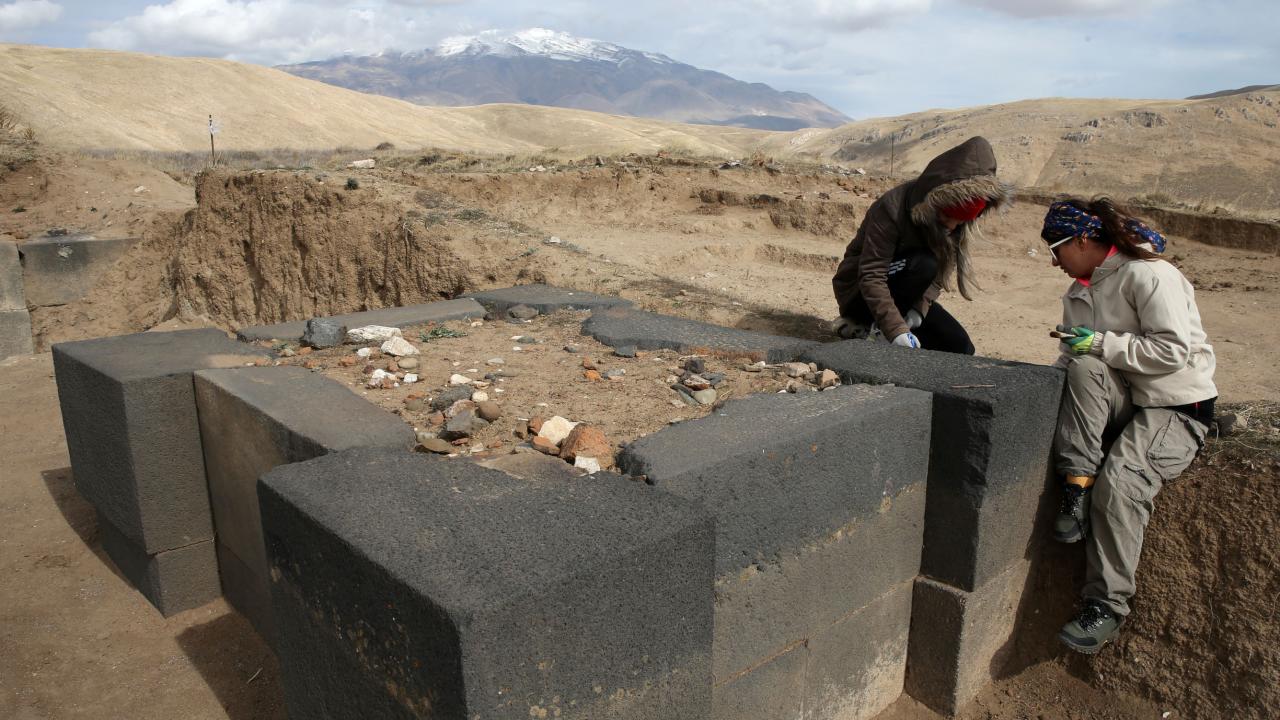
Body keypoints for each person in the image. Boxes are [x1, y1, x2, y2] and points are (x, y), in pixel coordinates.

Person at [1041, 198, 1217, 654]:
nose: (1054, 261)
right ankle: (1076, 487)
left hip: (1174, 404)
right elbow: (1076, 360)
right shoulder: (1079, 292)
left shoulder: (1150, 275)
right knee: (1082, 367)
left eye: (1057, 248)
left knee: (1120, 484)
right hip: (1129, 400)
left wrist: (1102, 343)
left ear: (1083, 240)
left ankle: (1107, 605)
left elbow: (1171, 351)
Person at [831, 136, 1012, 353]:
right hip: (859, 294)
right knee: (924, 264)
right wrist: (896, 330)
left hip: (907, 300)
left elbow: (939, 277)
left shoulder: (956, 227)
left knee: (961, 348)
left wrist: (917, 312)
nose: (951, 226)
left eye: (960, 222)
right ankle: (869, 328)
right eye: (947, 217)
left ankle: (879, 328)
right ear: (937, 204)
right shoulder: (891, 208)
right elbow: (872, 274)